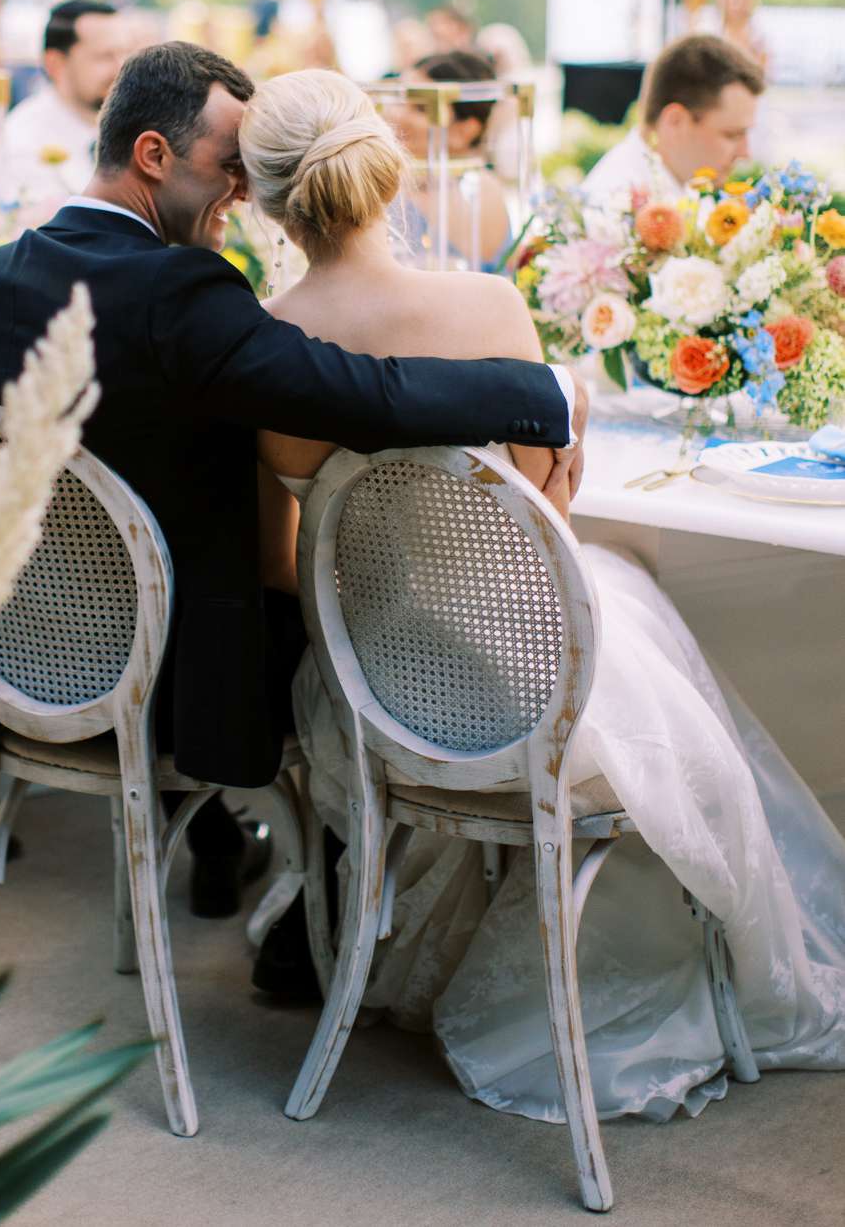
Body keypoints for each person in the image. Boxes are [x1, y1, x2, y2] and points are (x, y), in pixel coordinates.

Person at [239, 66, 845, 1119]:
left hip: (379, 697)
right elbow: (540, 531)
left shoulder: (265, 343)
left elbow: (277, 568)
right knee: (636, 593)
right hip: (525, 688)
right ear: (388, 170)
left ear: (264, 201)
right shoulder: (485, 305)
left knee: (625, 592)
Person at [0, 41, 584, 950]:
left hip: (8, 667)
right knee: (359, 618)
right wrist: (547, 392)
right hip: (174, 689)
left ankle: (299, 883)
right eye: (229, 164)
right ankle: (341, 894)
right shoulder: (181, 291)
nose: (244, 190)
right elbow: (355, 391)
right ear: (153, 154)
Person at [0, 0, 128, 216]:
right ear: (56, 64)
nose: (122, 67)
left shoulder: (133, 130)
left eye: (125, 53)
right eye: (104, 56)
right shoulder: (17, 146)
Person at [581, 34, 764, 206]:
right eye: (732, 135)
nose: (745, 154)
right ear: (675, 122)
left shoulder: (685, 188)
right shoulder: (615, 206)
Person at [393, 51, 511, 270]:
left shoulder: (479, 190)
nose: (398, 116)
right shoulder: (399, 180)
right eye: (400, 101)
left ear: (465, 130)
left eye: (420, 109)